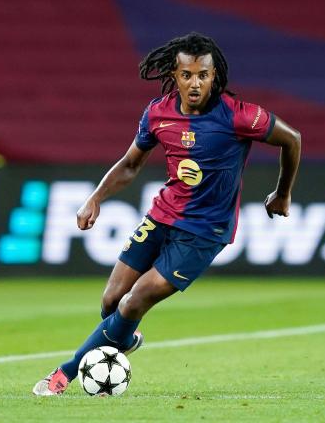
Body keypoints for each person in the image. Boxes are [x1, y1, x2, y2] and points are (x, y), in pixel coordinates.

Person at [32, 32, 301, 396]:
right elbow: (130, 165)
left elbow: (292, 139)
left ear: (214, 75)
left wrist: (282, 194)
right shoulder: (158, 113)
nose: (195, 83)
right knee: (111, 302)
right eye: (187, 74)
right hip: (162, 217)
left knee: (133, 301)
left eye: (203, 75)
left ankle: (66, 372)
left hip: (204, 232)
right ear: (174, 75)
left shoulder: (239, 116)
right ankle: (123, 338)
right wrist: (95, 197)